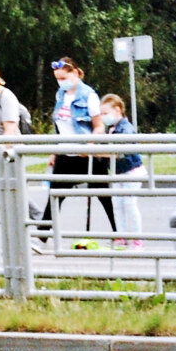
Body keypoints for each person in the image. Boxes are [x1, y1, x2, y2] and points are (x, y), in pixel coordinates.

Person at [43, 56, 103, 240]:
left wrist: (90, 146)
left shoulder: (89, 96)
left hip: (86, 155)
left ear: (75, 73)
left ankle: (119, 234)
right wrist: (55, 151)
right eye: (58, 79)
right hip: (65, 153)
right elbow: (59, 127)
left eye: (64, 78)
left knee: (104, 194)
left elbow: (99, 126)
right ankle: (42, 235)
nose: (61, 83)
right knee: (55, 195)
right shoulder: (60, 95)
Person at [99, 90, 143, 241]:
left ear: (118, 110)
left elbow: (120, 151)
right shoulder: (111, 129)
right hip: (118, 172)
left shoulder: (125, 128)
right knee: (117, 205)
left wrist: (97, 153)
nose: (103, 117)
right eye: (102, 114)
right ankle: (121, 237)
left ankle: (137, 239)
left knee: (130, 205)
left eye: (106, 113)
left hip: (132, 171)